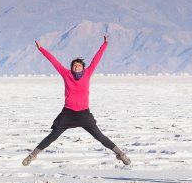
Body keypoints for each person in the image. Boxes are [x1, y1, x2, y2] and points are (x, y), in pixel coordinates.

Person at [23, 35, 130, 166]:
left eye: (79, 65)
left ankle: (120, 154)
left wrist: (105, 44)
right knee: (53, 135)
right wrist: (41, 49)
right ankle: (32, 155)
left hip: (84, 113)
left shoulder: (88, 73)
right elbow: (53, 61)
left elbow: (97, 58)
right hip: (68, 113)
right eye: (74, 65)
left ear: (83, 67)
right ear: (71, 67)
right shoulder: (66, 74)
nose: (76, 67)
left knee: (99, 136)